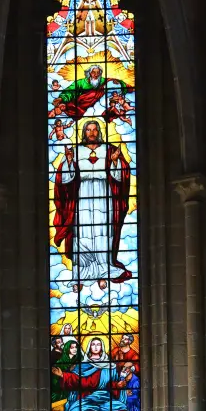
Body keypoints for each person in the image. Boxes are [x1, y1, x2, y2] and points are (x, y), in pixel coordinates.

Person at [53, 119, 132, 290]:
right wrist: (68, 161)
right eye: (88, 130)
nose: (92, 133)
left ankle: (103, 271)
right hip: (82, 194)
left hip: (104, 194)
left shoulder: (110, 150)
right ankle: (81, 275)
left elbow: (122, 175)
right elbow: (64, 178)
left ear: (99, 132)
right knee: (82, 232)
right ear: (84, 133)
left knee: (103, 231)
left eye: (95, 130)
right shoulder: (74, 151)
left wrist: (115, 162)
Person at [52, 336, 130, 411]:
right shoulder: (82, 365)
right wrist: (64, 375)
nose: (95, 347)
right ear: (89, 347)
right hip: (87, 398)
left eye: (98, 344)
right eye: (93, 344)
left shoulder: (110, 366)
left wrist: (119, 385)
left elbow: (112, 384)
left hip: (106, 398)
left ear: (102, 347)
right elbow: (80, 381)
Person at [58, 65, 131, 119]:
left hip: (96, 107)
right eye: (93, 72)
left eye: (98, 73)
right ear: (89, 73)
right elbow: (71, 90)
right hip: (81, 105)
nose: (96, 75)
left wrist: (119, 83)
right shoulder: (81, 82)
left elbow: (115, 82)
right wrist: (62, 98)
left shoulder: (103, 81)